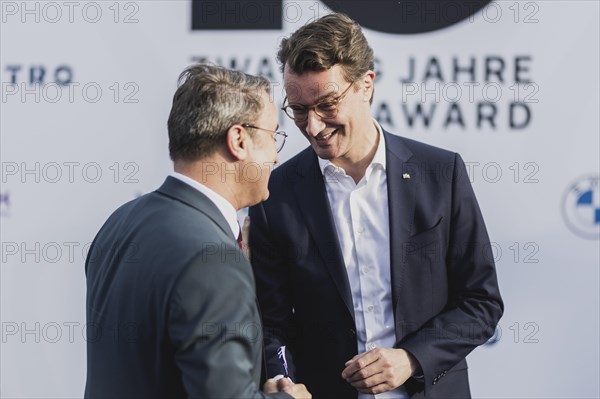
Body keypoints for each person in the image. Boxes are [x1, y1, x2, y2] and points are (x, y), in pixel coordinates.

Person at [249, 13, 503, 399]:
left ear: (366, 85)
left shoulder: (441, 173)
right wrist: (282, 379)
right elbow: (272, 324)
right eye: (298, 109)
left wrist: (411, 359)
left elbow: (480, 303)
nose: (313, 126)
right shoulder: (275, 194)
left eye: (327, 104)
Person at [85, 64, 310, 399]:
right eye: (273, 136)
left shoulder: (120, 222)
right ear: (239, 140)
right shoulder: (212, 258)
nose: (277, 157)